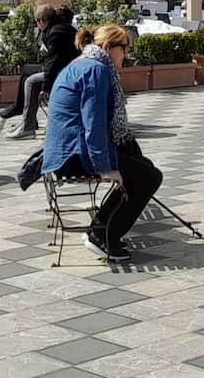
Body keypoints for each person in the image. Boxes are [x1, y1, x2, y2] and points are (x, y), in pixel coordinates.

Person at [42, 23, 163, 264]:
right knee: (149, 177)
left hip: (65, 151)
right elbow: (93, 124)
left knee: (142, 167)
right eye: (124, 48)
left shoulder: (83, 63)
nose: (126, 55)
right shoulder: (96, 70)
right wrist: (105, 167)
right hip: (73, 156)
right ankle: (100, 235)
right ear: (108, 47)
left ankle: (104, 230)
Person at [4, 4, 77, 139]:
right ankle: (25, 115)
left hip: (63, 72)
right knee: (26, 70)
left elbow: (53, 62)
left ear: (42, 21)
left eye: (37, 21)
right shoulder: (58, 28)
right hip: (64, 68)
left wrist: (46, 86)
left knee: (31, 82)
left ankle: (27, 127)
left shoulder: (55, 33)